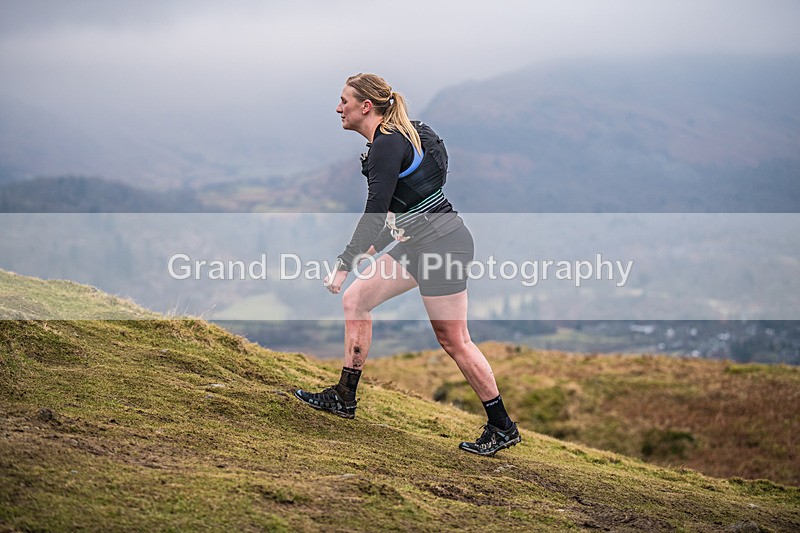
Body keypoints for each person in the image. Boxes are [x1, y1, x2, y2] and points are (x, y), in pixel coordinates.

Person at [294, 73, 520, 456]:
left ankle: (502, 427)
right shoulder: (403, 136)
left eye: (344, 101)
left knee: (454, 340)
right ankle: (344, 397)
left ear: (366, 106)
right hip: (419, 240)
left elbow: (375, 212)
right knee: (356, 301)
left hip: (441, 246)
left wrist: (346, 263)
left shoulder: (386, 145)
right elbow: (405, 211)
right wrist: (368, 252)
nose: (338, 109)